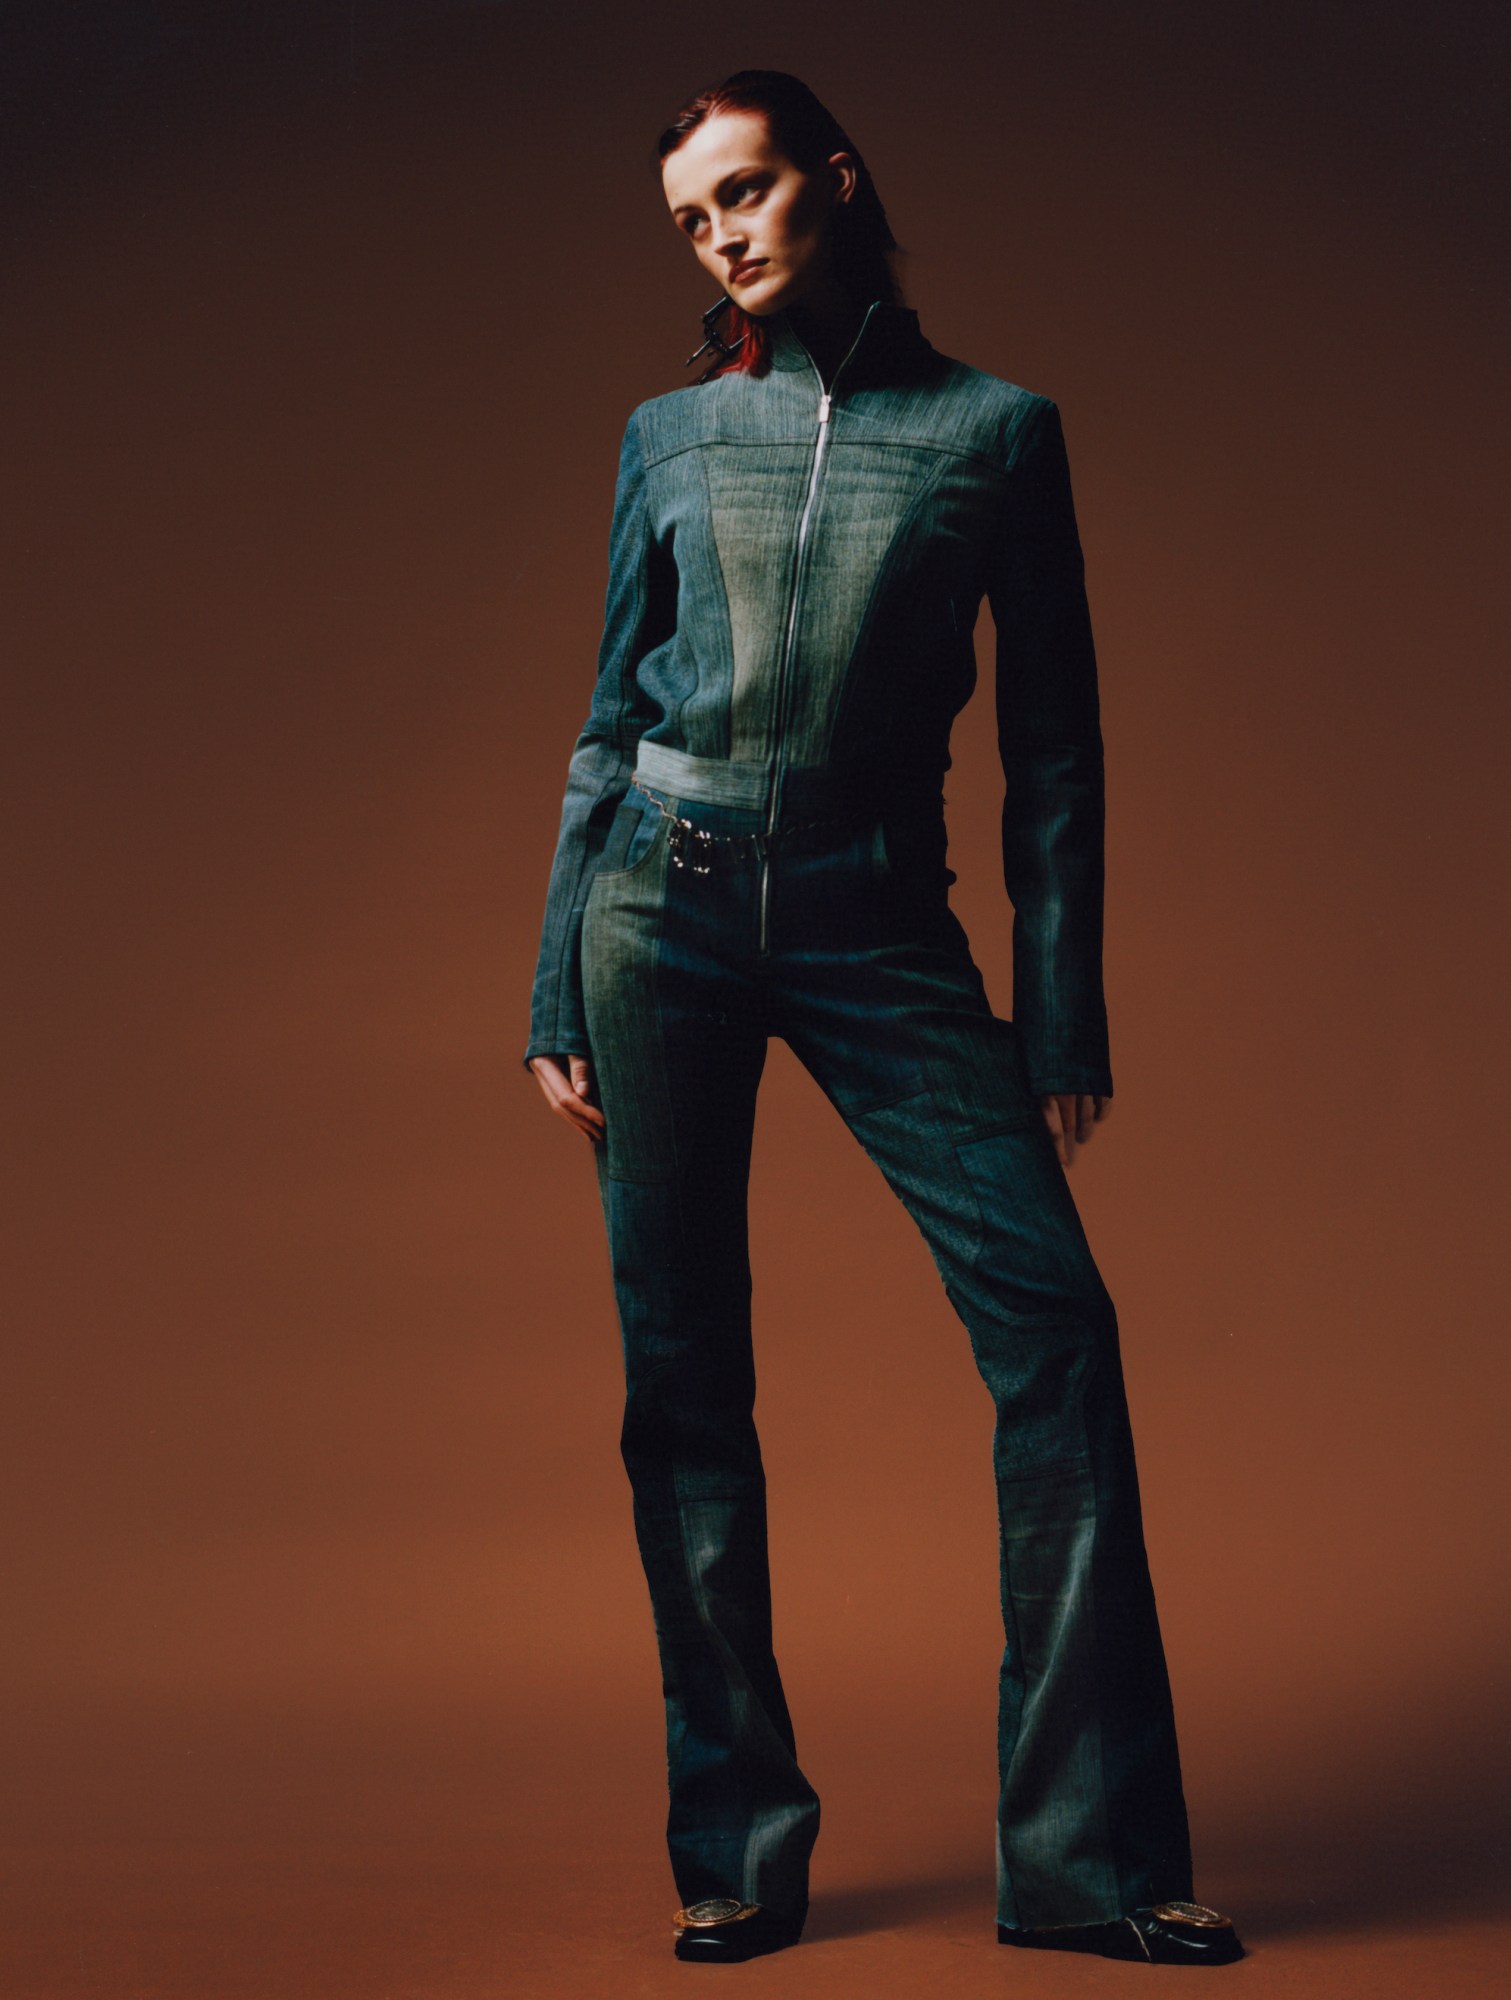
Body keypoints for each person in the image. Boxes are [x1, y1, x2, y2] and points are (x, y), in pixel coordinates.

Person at [523, 68, 1246, 1969]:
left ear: (835, 181)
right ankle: (734, 1849)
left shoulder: (998, 434)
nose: (724, 237)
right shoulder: (670, 433)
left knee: (1056, 1332)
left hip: (877, 919)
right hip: (656, 911)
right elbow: (608, 718)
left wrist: (1061, 1011)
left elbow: (1057, 746)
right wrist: (552, 976)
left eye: (748, 191)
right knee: (683, 1384)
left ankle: (1087, 1867)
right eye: (694, 219)